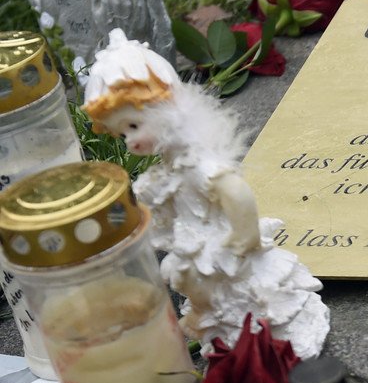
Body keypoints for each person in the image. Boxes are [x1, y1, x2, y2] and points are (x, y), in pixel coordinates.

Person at [82, 29, 329, 359]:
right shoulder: (170, 166)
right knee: (183, 275)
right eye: (121, 134)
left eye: (134, 126)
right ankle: (214, 321)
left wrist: (244, 237)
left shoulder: (197, 163)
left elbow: (236, 193)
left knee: (191, 273)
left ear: (165, 108)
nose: (130, 141)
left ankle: (216, 319)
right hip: (193, 237)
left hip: (218, 238)